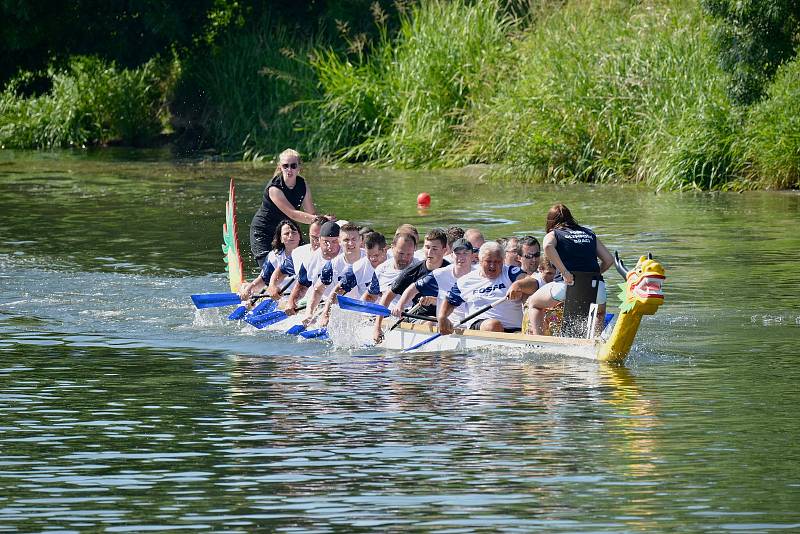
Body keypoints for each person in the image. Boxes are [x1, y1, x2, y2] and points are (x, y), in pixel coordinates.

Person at [526, 203, 614, 336]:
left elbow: (548, 246)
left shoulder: (554, 233)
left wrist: (565, 272)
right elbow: (609, 260)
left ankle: (540, 341)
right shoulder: (589, 233)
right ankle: (594, 343)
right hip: (597, 287)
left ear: (550, 222)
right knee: (599, 313)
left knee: (534, 303)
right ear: (571, 218)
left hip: (567, 285)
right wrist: (593, 275)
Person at [249, 148, 328, 267]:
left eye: (293, 166)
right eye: (285, 166)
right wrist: (320, 219)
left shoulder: (303, 184)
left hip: (287, 231)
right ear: (280, 167)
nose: (289, 169)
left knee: (307, 261)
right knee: (269, 270)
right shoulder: (274, 188)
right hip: (264, 231)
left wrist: (324, 226)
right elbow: (293, 214)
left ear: (299, 168)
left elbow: (311, 213)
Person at [437, 242, 538, 334]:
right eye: (488, 261)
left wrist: (519, 285)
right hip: (482, 326)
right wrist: (442, 317)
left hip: (514, 329)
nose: (492, 266)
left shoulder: (511, 272)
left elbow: (533, 283)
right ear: (480, 261)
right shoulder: (465, 281)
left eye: (497, 262)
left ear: (503, 261)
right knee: (493, 325)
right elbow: (450, 301)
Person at [373, 229, 449, 342]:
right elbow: (387, 297)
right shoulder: (413, 271)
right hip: (419, 316)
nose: (429, 252)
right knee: (431, 322)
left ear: (444, 250)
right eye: (427, 247)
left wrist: (435, 300)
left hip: (447, 317)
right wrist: (377, 327)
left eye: (434, 249)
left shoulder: (451, 271)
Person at [391, 237, 474, 322]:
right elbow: (413, 288)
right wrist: (400, 306)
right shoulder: (440, 274)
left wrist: (435, 300)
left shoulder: (479, 275)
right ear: (452, 255)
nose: (461, 257)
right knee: (430, 323)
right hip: (446, 325)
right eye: (458, 253)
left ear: (472, 255)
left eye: (465, 253)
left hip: (471, 323)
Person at [303, 223, 365, 325]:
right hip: (344, 311)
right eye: (346, 240)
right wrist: (309, 313)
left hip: (370, 311)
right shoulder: (332, 265)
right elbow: (318, 290)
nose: (350, 243)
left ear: (361, 240)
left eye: (354, 239)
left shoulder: (371, 259)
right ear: (340, 241)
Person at [265, 215, 328, 299]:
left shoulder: (337, 253)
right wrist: (272, 285)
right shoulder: (299, 253)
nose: (316, 241)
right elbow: (281, 271)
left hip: (327, 300)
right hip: (306, 301)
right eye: (313, 237)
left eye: (320, 238)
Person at [284, 221, 341, 314]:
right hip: (322, 304)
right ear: (319, 240)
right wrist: (292, 302)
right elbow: (302, 285)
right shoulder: (310, 260)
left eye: (334, 241)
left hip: (349, 305)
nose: (330, 246)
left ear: (340, 240)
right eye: (326, 242)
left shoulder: (351, 256)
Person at [238, 219, 303, 301]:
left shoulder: (307, 253)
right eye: (286, 233)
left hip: (301, 297)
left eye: (294, 233)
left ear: (299, 236)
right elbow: (264, 279)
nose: (291, 236)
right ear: (281, 239)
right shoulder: (274, 256)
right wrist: (249, 289)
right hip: (280, 298)